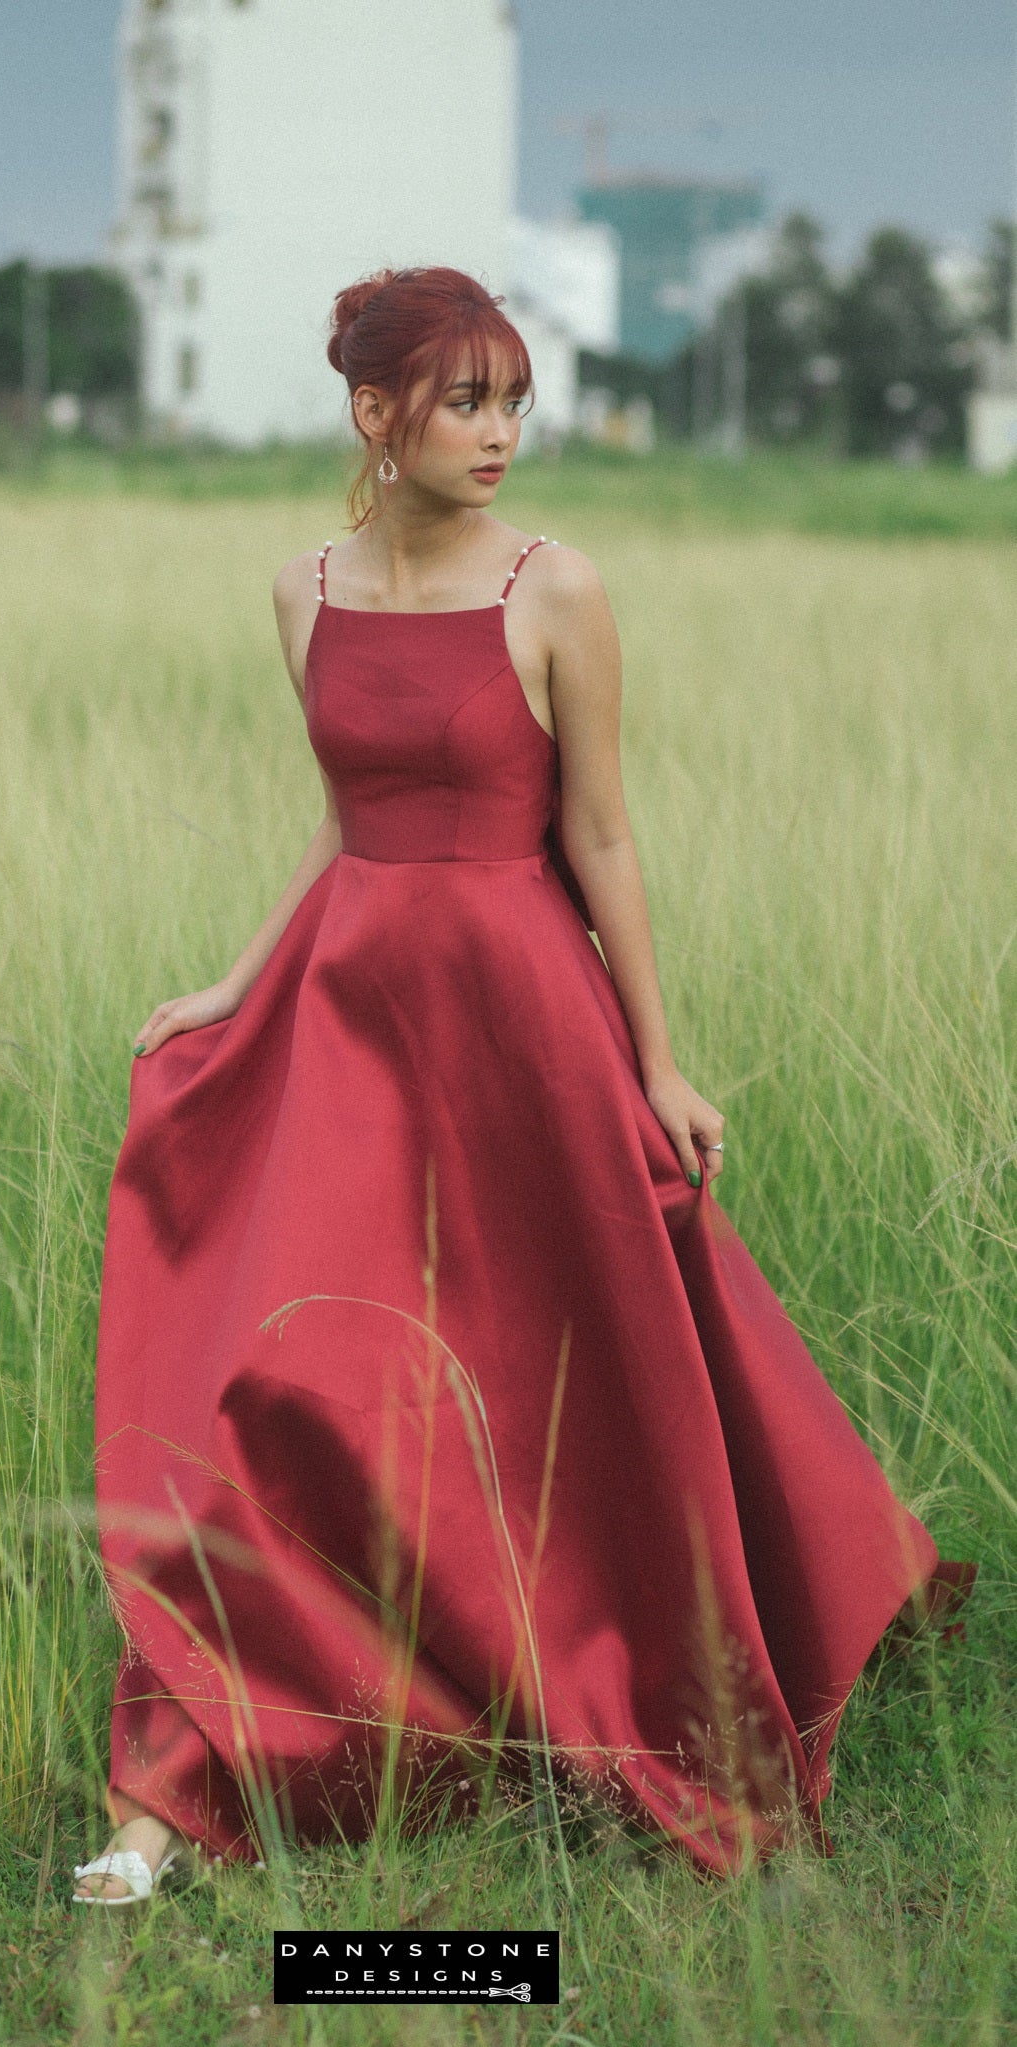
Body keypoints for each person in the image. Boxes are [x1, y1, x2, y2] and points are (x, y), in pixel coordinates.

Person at [72, 267, 974, 1904]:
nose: (500, 435)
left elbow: (600, 832)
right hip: (346, 1013)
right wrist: (233, 979)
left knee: (573, 1364)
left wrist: (657, 1057)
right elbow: (352, 816)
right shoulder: (302, 590)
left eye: (512, 403)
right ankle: (258, 1740)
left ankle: (645, 1705)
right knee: (302, 1378)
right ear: (375, 414)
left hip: (517, 1014)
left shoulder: (555, 591)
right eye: (466, 401)